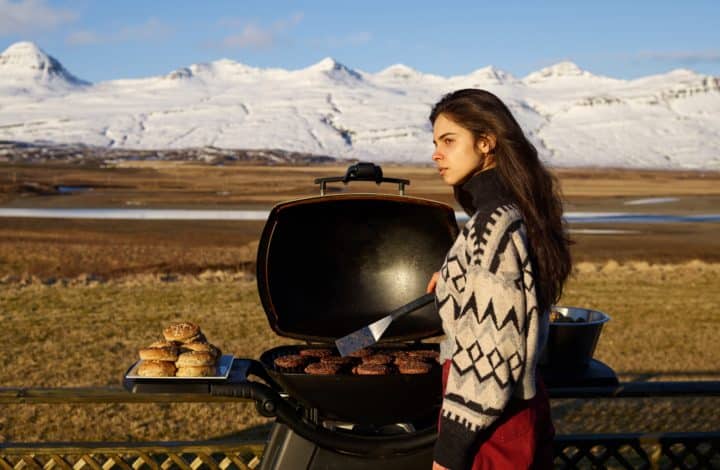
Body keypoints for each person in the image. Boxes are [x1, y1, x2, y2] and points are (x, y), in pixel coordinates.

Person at [425, 89, 571, 470]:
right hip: (514, 415)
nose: (436, 154)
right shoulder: (512, 211)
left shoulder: (494, 225)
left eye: (449, 141)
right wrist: (454, 279)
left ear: (486, 142)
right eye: (436, 143)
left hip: (488, 423)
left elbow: (489, 354)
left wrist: (449, 452)